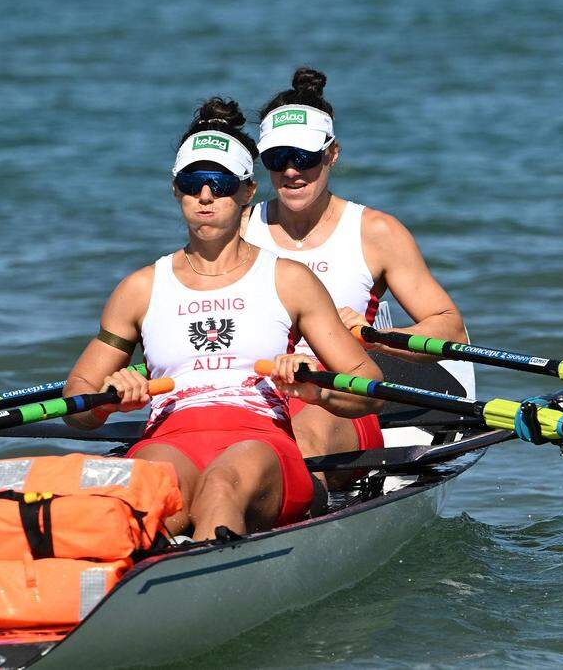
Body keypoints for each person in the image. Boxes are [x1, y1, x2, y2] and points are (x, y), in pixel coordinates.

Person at [63, 97, 383, 541]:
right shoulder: (139, 288)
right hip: (169, 437)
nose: (206, 196)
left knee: (221, 485)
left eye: (221, 182)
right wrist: (108, 401)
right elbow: (76, 400)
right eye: (193, 183)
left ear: (247, 191)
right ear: (176, 189)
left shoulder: (289, 280)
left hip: (262, 441)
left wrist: (318, 390)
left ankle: (209, 589)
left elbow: (369, 386)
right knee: (137, 500)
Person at [242, 67, 468, 485]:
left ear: (332, 154)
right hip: (254, 393)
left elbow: (452, 331)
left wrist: (374, 337)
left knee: (300, 439)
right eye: (276, 158)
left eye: (305, 157)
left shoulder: (376, 233)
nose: (291, 172)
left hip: (339, 398)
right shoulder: (238, 229)